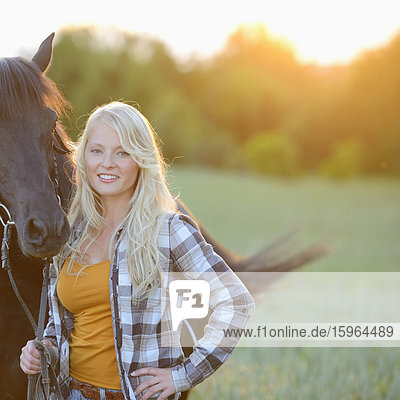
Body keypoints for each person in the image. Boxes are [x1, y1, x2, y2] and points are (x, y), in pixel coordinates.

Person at [20, 101, 254, 400]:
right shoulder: (72, 234)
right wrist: (43, 351)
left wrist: (184, 375)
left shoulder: (169, 230)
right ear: (83, 158)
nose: (107, 163)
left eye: (123, 152)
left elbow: (237, 302)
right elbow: (62, 324)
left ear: (141, 160)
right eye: (97, 150)